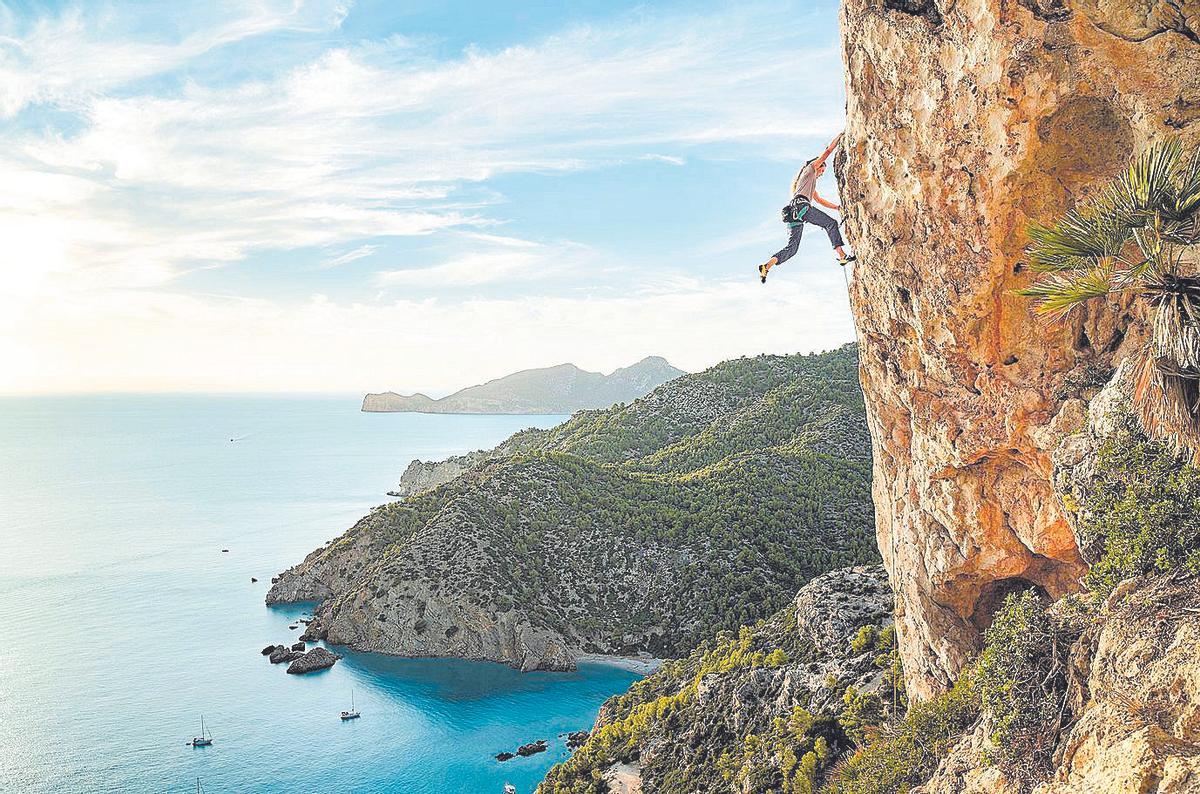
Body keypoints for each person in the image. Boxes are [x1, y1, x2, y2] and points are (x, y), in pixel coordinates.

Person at [758, 132, 855, 283]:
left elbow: (820, 200)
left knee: (792, 248)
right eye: (822, 170)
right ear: (818, 165)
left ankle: (767, 266)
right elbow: (828, 151)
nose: (822, 173)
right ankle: (842, 256)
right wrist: (840, 137)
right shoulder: (810, 168)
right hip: (802, 208)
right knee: (831, 224)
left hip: (794, 213)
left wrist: (837, 207)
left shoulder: (806, 183)